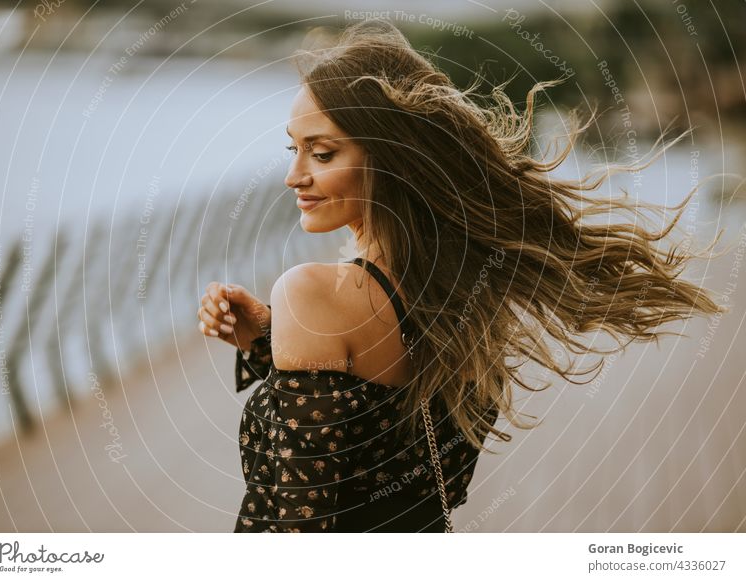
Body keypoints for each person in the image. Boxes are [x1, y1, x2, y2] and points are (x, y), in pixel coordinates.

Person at [197, 19, 726, 532]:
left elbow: (298, 527)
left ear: (393, 157)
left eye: (322, 152)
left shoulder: (310, 292)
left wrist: (295, 320)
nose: (294, 175)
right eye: (294, 149)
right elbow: (380, 441)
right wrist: (269, 337)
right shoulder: (466, 296)